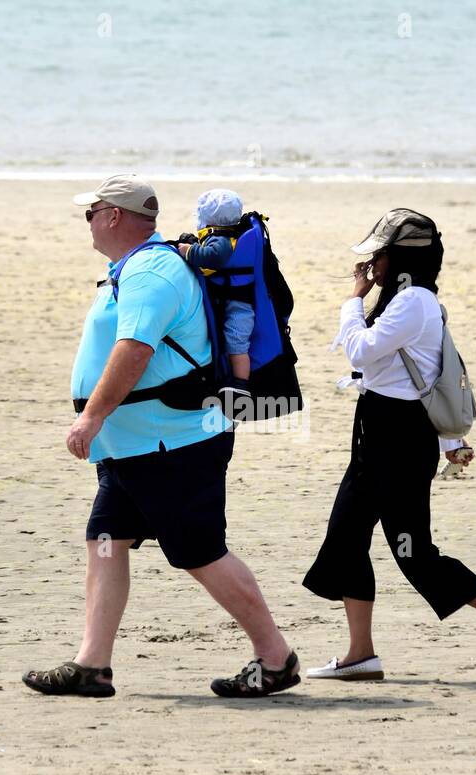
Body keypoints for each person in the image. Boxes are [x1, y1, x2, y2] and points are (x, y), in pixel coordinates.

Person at [21, 174, 300, 698]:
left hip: (172, 442)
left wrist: (91, 418)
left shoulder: (151, 271)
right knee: (105, 540)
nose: (87, 221)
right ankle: (92, 665)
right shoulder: (138, 267)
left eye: (91, 212)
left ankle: (275, 657)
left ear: (113, 217)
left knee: (200, 552)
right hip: (138, 444)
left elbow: (135, 350)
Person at [301, 208, 476, 682]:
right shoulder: (411, 300)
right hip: (389, 431)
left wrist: (353, 299)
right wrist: (450, 440)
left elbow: (359, 349)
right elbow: (425, 371)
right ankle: (363, 653)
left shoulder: (412, 302)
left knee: (363, 539)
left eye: (380, 253)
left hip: (392, 438)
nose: (371, 261)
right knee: (402, 548)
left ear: (400, 260)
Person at [175, 189, 255, 399]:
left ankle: (240, 384)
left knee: (237, 342)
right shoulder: (225, 235)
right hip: (231, 299)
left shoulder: (221, 239)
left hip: (239, 304)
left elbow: (214, 258)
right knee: (231, 341)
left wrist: (187, 251)